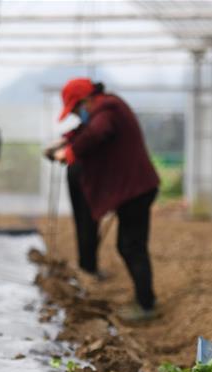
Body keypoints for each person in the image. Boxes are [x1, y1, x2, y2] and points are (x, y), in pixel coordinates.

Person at [47, 79, 160, 322]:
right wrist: (66, 139)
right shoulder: (106, 108)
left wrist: (70, 153)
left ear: (86, 100)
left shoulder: (109, 109)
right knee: (129, 245)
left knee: (131, 246)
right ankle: (145, 300)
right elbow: (85, 131)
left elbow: (97, 132)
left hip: (136, 190)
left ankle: (147, 305)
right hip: (134, 189)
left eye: (77, 110)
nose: (79, 115)